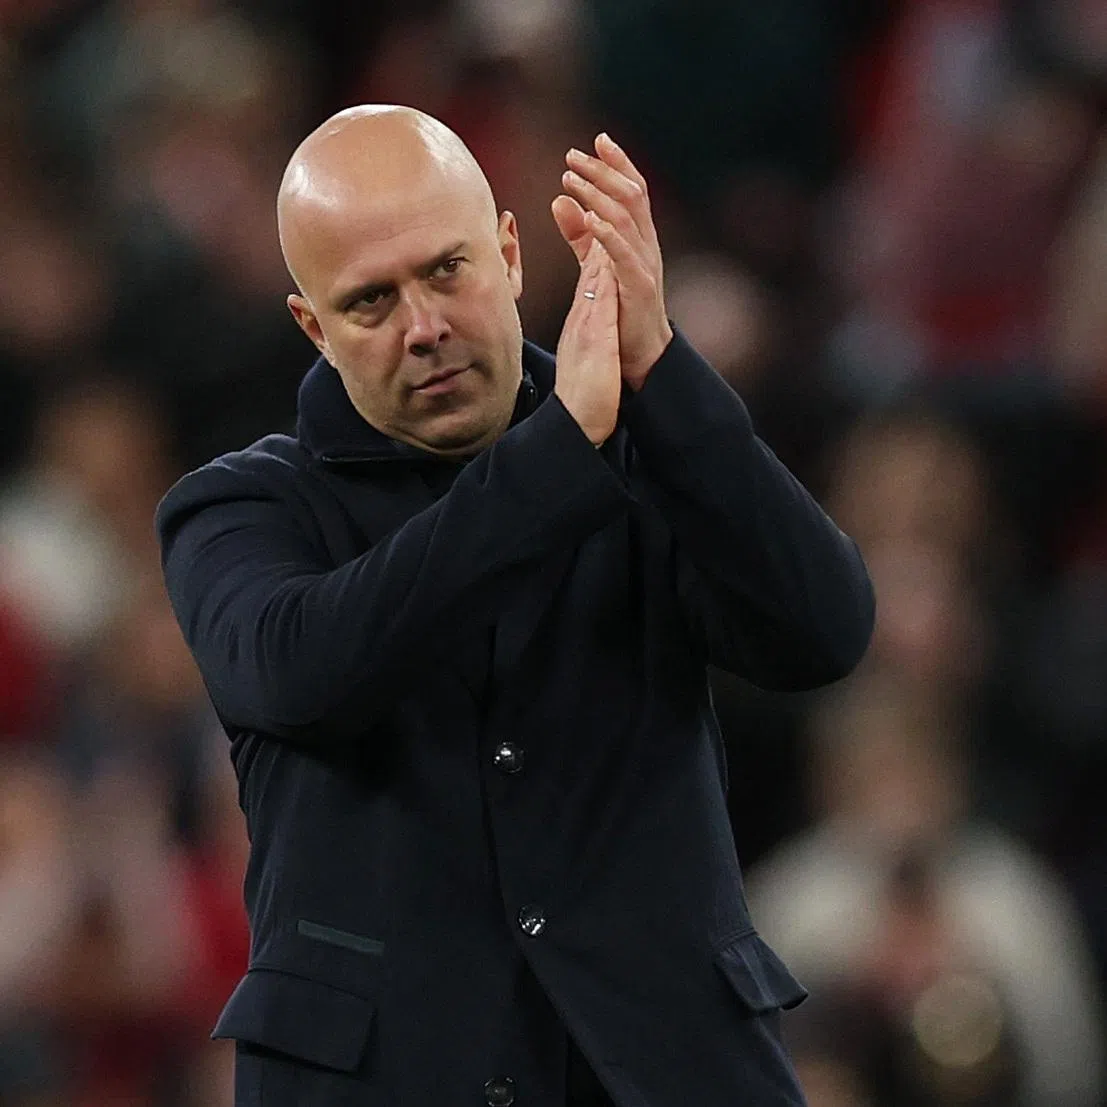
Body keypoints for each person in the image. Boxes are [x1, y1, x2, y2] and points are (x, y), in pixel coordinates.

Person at [156, 104, 875, 1107]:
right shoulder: (239, 507)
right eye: (370, 301)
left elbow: (824, 628)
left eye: (445, 269)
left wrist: (659, 364)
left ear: (509, 253)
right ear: (312, 328)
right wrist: (563, 454)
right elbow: (306, 669)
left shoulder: (649, 446)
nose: (425, 327)